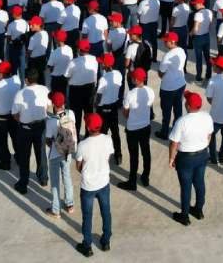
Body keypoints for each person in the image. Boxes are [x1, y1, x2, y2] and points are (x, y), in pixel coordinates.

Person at [168, 90, 213, 226]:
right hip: (202, 155)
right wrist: (204, 146)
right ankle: (198, 210)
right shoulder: (207, 117)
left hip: (186, 159)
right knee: (199, 183)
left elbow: (174, 143)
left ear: (187, 105)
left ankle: (184, 216)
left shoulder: (181, 122)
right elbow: (209, 135)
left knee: (186, 187)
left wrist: (171, 159)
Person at [74, 112, 114, 257]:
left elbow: (78, 166)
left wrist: (86, 170)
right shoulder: (107, 139)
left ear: (87, 127)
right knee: (106, 212)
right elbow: (108, 157)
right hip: (103, 183)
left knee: (87, 216)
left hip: (88, 186)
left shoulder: (82, 145)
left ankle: (87, 246)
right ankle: (106, 241)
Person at [12, 68, 50, 194]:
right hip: (41, 126)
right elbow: (49, 105)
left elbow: (15, 114)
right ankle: (43, 178)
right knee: (41, 153)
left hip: (25, 128)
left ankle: (23, 184)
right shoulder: (45, 90)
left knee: (24, 156)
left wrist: (23, 120)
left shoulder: (20, 94)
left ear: (26, 80)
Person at [119, 67, 154, 191]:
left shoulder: (130, 94)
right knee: (146, 152)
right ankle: (145, 177)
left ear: (136, 80)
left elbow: (125, 113)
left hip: (133, 129)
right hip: (145, 126)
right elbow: (149, 105)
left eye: (133, 77)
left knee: (134, 155)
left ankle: (132, 181)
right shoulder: (150, 91)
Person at [44, 91, 77, 217]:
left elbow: (48, 140)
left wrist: (55, 144)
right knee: (67, 176)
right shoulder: (71, 113)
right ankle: (70, 204)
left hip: (55, 154)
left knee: (55, 182)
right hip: (67, 152)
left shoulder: (51, 121)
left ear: (53, 104)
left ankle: (56, 210)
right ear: (64, 103)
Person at [0, 61, 21, 170]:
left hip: (1, 118)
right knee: (15, 138)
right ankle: (19, 158)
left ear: (2, 74)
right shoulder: (17, 80)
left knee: (2, 141)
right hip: (14, 116)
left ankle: (5, 163)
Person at [204, 55, 223, 164]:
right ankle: (222, 157)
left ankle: (213, 158)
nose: (212, 65)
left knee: (211, 136)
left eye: (214, 64)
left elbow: (209, 97)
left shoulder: (213, 81)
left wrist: (216, 103)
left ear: (217, 68)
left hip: (216, 116)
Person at [157, 32, 186, 139]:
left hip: (168, 88)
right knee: (178, 110)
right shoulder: (182, 51)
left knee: (166, 111)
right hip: (181, 84)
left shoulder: (167, 56)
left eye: (166, 41)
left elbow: (161, 73)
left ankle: (164, 132)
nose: (164, 43)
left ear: (172, 42)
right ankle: (177, 130)